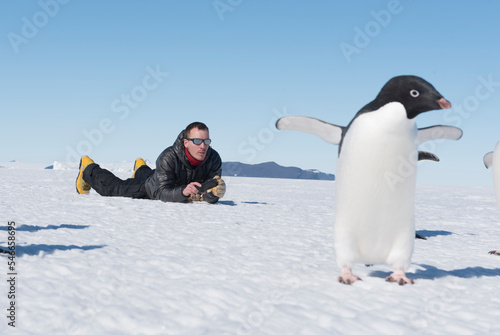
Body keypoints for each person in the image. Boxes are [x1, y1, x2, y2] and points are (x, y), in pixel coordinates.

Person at [75, 121, 226, 203]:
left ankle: (141, 169)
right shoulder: (168, 157)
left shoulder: (214, 159)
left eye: (206, 141)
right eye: (198, 141)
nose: (203, 146)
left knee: (153, 174)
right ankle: (88, 169)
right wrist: (182, 192)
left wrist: (214, 194)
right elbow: (161, 192)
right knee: (114, 189)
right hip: (152, 188)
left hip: (163, 178)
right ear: (186, 142)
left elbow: (208, 192)